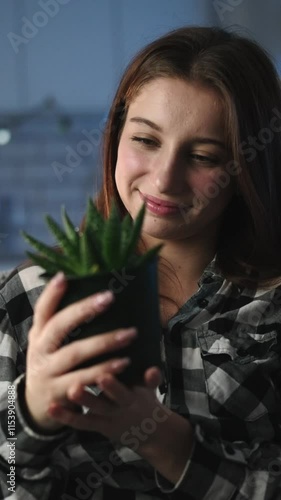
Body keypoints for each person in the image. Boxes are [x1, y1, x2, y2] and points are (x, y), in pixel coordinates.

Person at [0, 25, 281, 500]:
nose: (165, 179)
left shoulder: (269, 306)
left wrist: (163, 440)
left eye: (203, 155)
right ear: (115, 137)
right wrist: (27, 414)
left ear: (245, 169)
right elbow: (8, 478)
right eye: (146, 141)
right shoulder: (30, 295)